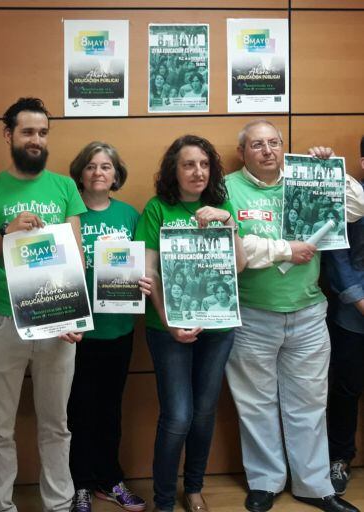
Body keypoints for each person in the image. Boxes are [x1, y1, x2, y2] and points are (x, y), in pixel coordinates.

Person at [224, 119, 359, 512]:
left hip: (308, 313)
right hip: (251, 315)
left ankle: (314, 486)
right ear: (242, 152)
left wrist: (332, 170)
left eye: (274, 143)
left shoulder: (305, 179)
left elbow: (355, 209)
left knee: (309, 404)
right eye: (257, 145)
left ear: (283, 146)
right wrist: (286, 248)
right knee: (255, 404)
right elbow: (238, 248)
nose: (267, 150)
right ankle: (265, 482)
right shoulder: (227, 188)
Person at [0, 97, 86, 511]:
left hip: (57, 318)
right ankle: (1, 505)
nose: (36, 140)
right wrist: (8, 234)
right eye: (27, 132)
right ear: (9, 135)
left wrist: (73, 311)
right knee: (0, 426)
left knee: (57, 424)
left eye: (42, 133)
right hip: (3, 320)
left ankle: (59, 504)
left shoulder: (65, 187)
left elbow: (77, 254)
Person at [134, 134, 246, 512]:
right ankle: (164, 499)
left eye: (203, 164)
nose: (197, 171)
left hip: (218, 329)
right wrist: (170, 324)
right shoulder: (156, 209)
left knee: (203, 413)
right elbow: (148, 274)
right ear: (174, 170)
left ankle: (194, 487)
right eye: (188, 164)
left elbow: (240, 266)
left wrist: (228, 221)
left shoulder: (221, 205)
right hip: (168, 330)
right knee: (178, 416)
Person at [66, 141, 150, 512]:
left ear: (116, 175)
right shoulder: (68, 215)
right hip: (78, 332)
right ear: (80, 173)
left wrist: (144, 282)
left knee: (111, 409)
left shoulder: (130, 215)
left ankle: (110, 479)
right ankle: (80, 483)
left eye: (106, 167)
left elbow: (142, 265)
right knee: (78, 410)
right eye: (91, 166)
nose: (98, 172)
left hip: (118, 329)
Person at [324, 136, 364, 497]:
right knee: (346, 389)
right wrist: (359, 300)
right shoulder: (352, 200)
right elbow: (336, 254)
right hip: (354, 317)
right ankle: (339, 458)